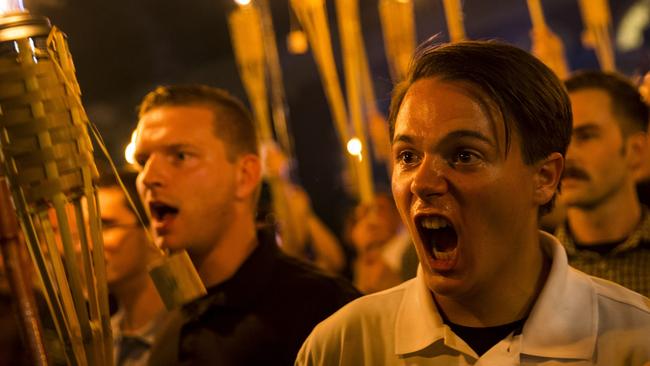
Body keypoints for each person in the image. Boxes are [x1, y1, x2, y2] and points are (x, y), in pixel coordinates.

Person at [296, 40, 650, 365]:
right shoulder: (343, 347)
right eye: (407, 156)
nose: (422, 182)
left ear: (544, 177)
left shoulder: (635, 341)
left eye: (464, 155)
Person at [132, 85, 360, 365]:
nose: (148, 177)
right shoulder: (172, 325)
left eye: (180, 156)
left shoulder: (323, 312)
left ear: (245, 175)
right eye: (142, 161)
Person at [555, 70, 650, 297]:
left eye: (586, 136)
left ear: (634, 151)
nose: (567, 156)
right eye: (560, 139)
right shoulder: (532, 268)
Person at [96, 169, 168, 366]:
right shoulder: (98, 344)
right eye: (80, 230)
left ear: (152, 232)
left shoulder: (184, 337)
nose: (85, 245)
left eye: (104, 226)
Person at [347, 192, 416, 293]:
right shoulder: (366, 257)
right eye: (367, 213)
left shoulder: (409, 245)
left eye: (380, 209)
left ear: (397, 213)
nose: (373, 218)